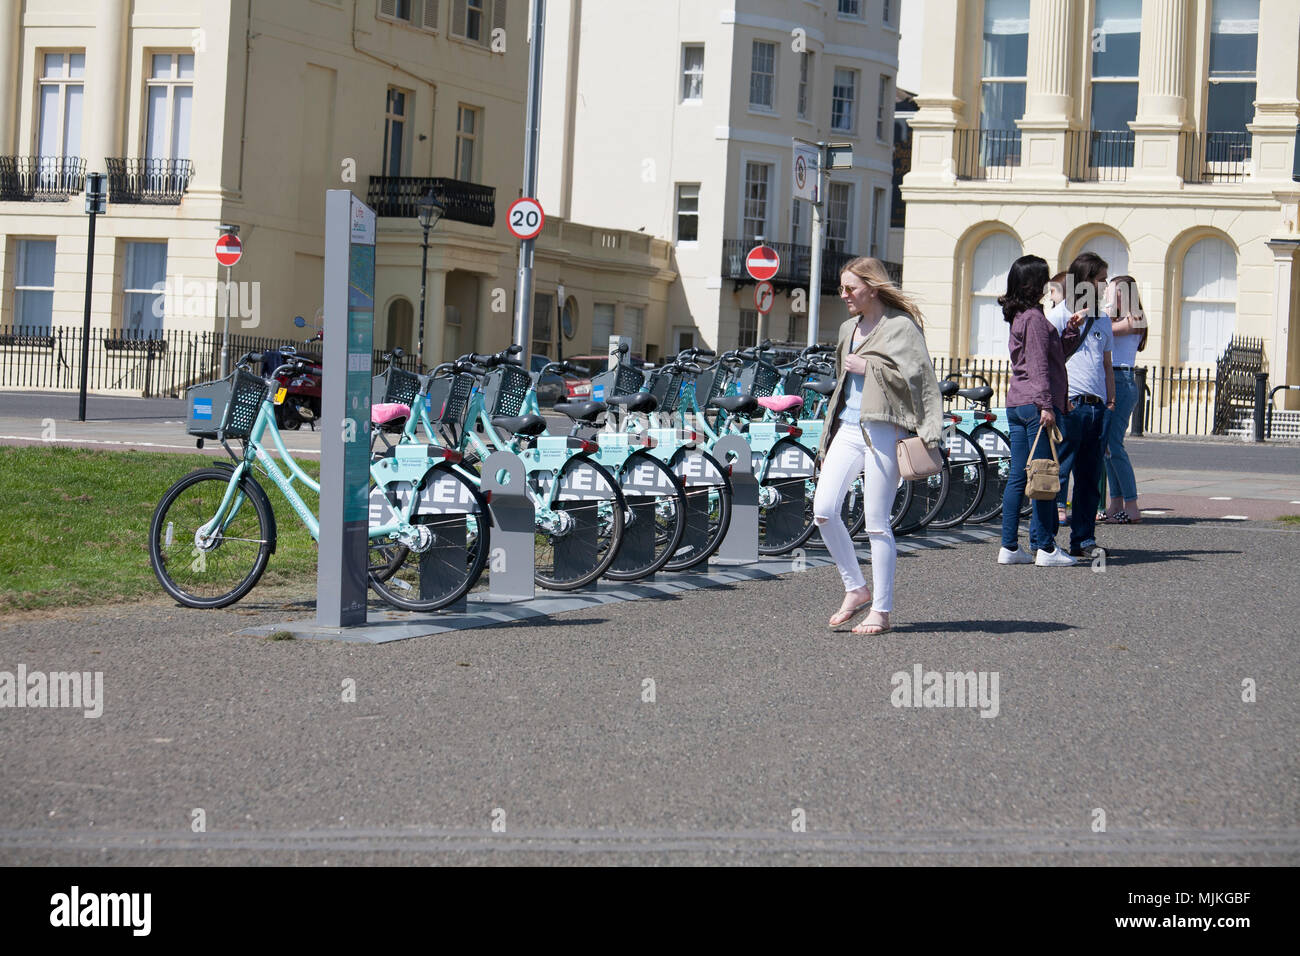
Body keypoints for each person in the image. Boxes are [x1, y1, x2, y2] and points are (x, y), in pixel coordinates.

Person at [813, 257, 942, 635]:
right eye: (842, 288)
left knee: (876, 524)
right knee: (823, 510)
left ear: (872, 287)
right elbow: (842, 385)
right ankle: (856, 588)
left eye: (850, 288)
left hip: (884, 431)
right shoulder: (847, 328)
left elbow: (920, 381)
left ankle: (881, 611)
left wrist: (869, 369)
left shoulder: (901, 328)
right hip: (849, 430)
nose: (845, 295)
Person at [998, 254, 1084, 567]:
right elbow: (1038, 365)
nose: (1048, 287)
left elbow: (1054, 356)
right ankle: (1046, 549)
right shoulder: (1034, 318)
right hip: (1035, 406)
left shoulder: (1020, 315)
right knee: (1045, 476)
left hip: (1017, 403)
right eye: (1044, 280)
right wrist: (1047, 404)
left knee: (1020, 477)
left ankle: (1009, 546)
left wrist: (1070, 332)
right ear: (1032, 284)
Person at [1050, 252, 1115, 557]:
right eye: (1101, 280)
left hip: (1098, 407)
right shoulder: (1059, 315)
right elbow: (1048, 362)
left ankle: (1083, 540)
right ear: (1084, 280)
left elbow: (1107, 363)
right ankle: (1047, 540)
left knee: (1090, 478)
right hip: (1070, 404)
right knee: (1059, 475)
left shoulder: (1103, 318)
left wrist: (1110, 401)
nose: (1106, 286)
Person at [1101, 275, 1146, 523]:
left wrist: (1102, 310)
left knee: (1114, 445)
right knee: (1107, 446)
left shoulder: (1136, 316)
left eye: (1113, 291)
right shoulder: (1116, 316)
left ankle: (1131, 505)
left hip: (1122, 380)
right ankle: (1115, 503)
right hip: (1110, 380)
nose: (1109, 296)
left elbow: (1106, 327)